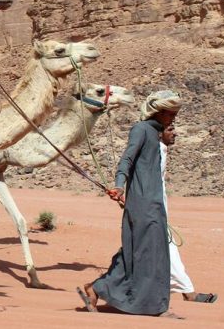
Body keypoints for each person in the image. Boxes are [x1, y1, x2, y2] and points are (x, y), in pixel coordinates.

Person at [78, 90, 182, 317]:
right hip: (143, 205)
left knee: (151, 254)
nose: (173, 119)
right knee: (146, 254)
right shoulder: (141, 130)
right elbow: (127, 158)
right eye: (171, 114)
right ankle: (153, 307)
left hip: (154, 205)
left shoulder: (155, 134)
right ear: (161, 112)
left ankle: (97, 290)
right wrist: (119, 185)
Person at [161, 124, 219, 304]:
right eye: (170, 129)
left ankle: (185, 290)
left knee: (166, 246)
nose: (175, 133)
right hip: (150, 211)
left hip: (156, 211)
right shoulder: (152, 150)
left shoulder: (161, 150)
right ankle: (187, 291)